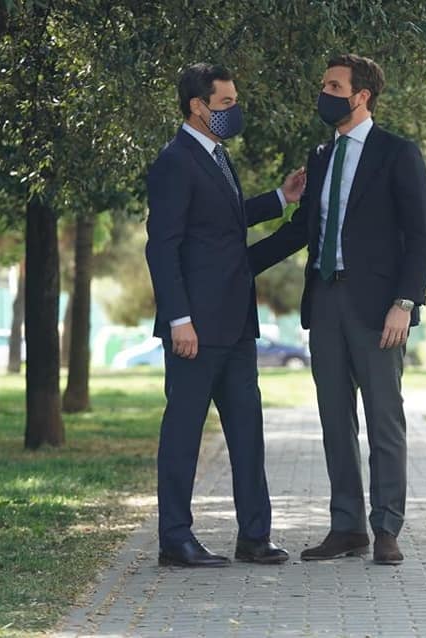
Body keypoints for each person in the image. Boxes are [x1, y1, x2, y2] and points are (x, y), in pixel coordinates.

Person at [249, 54, 426, 565]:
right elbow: (300, 231)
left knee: (383, 418)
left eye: (333, 84)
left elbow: (421, 237)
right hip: (325, 300)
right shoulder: (322, 155)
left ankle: (387, 527)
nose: (324, 91)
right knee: (334, 419)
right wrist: (237, 265)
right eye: (323, 82)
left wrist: (405, 302)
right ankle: (347, 526)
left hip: (379, 308)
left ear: (361, 96)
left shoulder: (398, 153)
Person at [145, 62, 306, 567]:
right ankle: (176, 540)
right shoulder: (175, 162)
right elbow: (162, 248)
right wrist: (178, 320)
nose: (235, 112)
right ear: (198, 107)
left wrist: (281, 199)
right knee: (183, 435)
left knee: (247, 433)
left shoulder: (217, 157)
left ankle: (254, 536)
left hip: (236, 327)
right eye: (227, 104)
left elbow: (224, 225)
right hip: (194, 328)